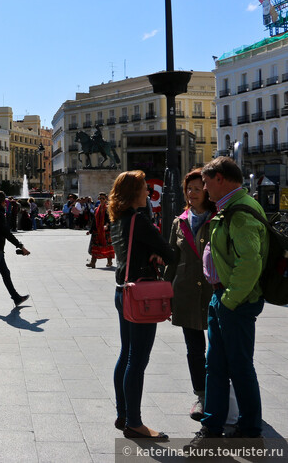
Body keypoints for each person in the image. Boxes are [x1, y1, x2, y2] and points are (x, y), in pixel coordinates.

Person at [189, 157, 268, 446]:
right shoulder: (229, 208)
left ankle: (249, 428)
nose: (205, 190)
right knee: (216, 365)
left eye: (207, 183)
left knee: (239, 366)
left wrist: (230, 299)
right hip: (220, 296)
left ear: (221, 178)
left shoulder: (241, 212)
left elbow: (250, 261)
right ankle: (213, 426)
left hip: (235, 300)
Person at [108, 170, 175, 440]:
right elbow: (169, 252)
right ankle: (135, 423)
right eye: (145, 188)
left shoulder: (118, 219)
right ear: (134, 192)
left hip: (122, 290)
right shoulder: (139, 219)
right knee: (138, 359)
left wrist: (150, 254)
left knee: (126, 354)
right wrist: (156, 255)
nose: (148, 192)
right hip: (141, 294)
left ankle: (123, 413)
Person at [165, 169, 215, 422]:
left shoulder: (218, 218)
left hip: (213, 292)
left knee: (218, 347)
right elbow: (173, 261)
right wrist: (166, 293)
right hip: (184, 291)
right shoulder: (179, 222)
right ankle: (202, 395)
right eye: (189, 189)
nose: (191, 193)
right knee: (194, 348)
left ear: (207, 190)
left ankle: (222, 394)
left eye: (197, 188)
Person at [86, 192, 114, 268]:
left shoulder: (108, 209)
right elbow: (94, 221)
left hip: (105, 231)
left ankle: (109, 262)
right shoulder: (96, 209)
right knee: (95, 247)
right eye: (100, 198)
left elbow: (110, 219)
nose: (101, 200)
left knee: (107, 246)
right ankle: (93, 262)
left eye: (103, 198)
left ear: (106, 199)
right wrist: (90, 231)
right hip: (97, 230)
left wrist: (107, 225)